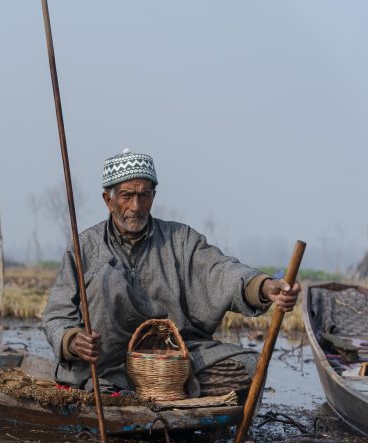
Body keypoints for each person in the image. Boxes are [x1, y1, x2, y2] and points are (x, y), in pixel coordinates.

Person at [42, 148, 301, 394]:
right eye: (126, 196)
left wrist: (264, 287)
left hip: (174, 360)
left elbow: (222, 271)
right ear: (108, 200)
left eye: (144, 195)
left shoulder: (181, 240)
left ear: (153, 196)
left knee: (250, 368)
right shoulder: (84, 247)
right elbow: (56, 315)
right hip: (107, 366)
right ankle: (143, 392)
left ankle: (167, 390)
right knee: (105, 285)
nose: (135, 206)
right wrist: (74, 341)